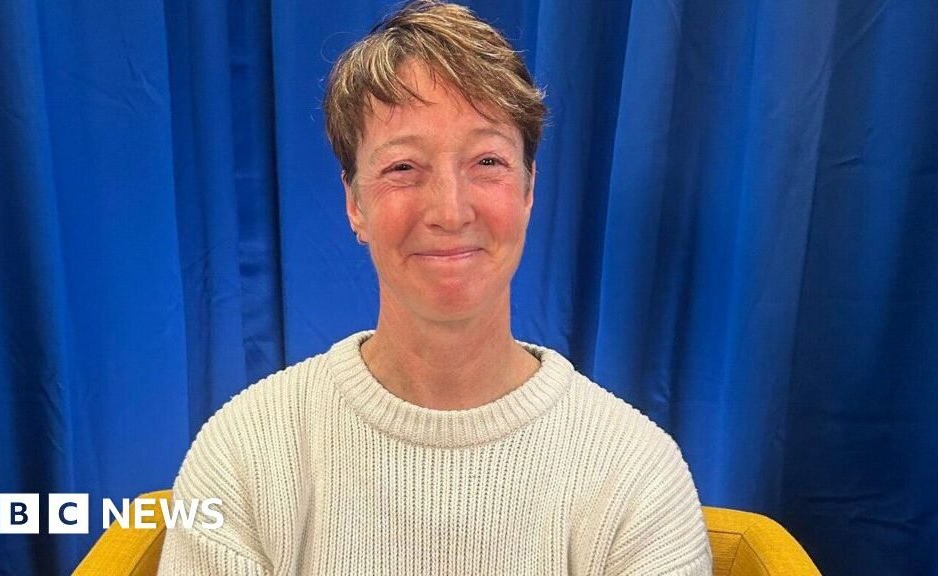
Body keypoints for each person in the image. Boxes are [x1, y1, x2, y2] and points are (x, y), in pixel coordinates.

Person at [158, 1, 712, 574]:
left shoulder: (637, 475)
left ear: (528, 191)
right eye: (402, 168)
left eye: (488, 161)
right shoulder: (243, 454)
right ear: (355, 203)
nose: (450, 211)